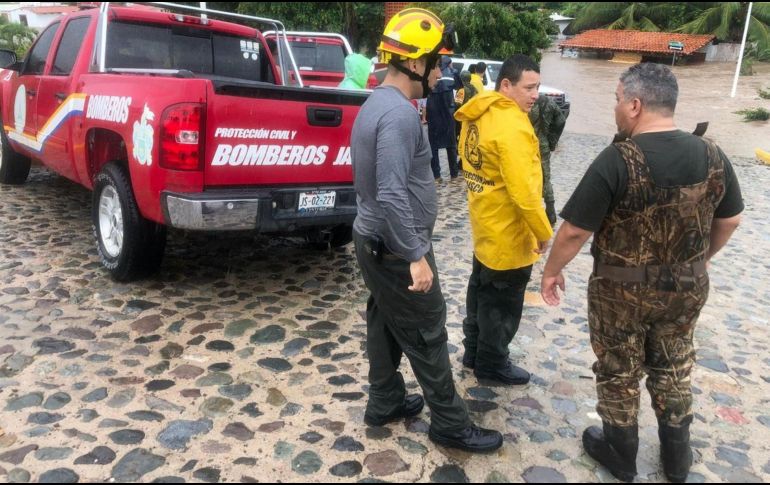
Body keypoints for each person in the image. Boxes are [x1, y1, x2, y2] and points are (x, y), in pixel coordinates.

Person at [540, 63, 744, 483]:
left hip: (621, 292)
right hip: (686, 288)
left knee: (619, 368)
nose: (615, 108)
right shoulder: (712, 154)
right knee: (673, 364)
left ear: (634, 105)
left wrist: (551, 272)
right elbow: (731, 219)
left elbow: (576, 230)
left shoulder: (617, 159)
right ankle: (676, 460)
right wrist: (702, 260)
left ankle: (620, 454)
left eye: (616, 100)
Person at [350, 7, 503, 453]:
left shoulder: (377, 103)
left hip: (375, 238)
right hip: (397, 246)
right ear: (415, 63)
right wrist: (416, 254)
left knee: (384, 316)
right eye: (437, 63)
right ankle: (451, 424)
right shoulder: (397, 115)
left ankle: (385, 401)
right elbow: (393, 192)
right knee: (427, 326)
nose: (442, 73)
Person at [454, 54, 554, 386]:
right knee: (502, 304)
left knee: (479, 292)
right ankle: (493, 363)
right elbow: (525, 192)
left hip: (485, 225)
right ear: (506, 85)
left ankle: (473, 352)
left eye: (538, 87)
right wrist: (543, 231)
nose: (535, 95)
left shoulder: (477, 113)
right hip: (509, 234)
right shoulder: (512, 125)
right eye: (529, 87)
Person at [529, 94, 567, 226]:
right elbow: (561, 120)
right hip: (543, 143)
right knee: (545, 177)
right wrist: (552, 139)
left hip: (526, 143)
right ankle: (550, 212)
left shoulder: (525, 101)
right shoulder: (548, 101)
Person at [427, 55, 462, 181]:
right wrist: (458, 104)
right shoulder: (452, 73)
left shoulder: (431, 72)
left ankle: (436, 175)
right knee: (451, 144)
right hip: (448, 111)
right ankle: (454, 174)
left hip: (433, 112)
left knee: (433, 145)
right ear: (448, 63)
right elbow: (460, 89)